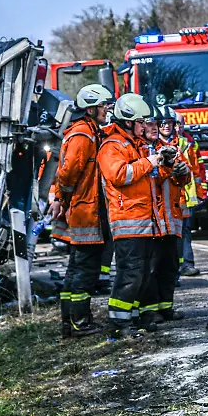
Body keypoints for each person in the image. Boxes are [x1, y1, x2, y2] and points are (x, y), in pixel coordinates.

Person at [97, 93, 167, 338]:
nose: (145, 126)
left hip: (144, 221)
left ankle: (142, 316)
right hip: (127, 222)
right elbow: (120, 175)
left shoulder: (135, 144)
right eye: (141, 122)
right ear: (128, 122)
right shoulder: (112, 146)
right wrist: (149, 162)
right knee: (130, 273)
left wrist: (163, 162)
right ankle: (119, 323)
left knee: (145, 271)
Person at [52, 83, 114, 337]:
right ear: (90, 108)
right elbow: (67, 175)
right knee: (85, 271)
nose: (107, 110)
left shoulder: (91, 131)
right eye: (103, 106)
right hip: (85, 212)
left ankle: (71, 321)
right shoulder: (82, 135)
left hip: (86, 210)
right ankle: (80, 322)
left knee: (77, 269)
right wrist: (63, 199)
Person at [140, 106, 189, 325]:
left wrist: (183, 172)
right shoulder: (140, 151)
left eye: (158, 124)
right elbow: (149, 178)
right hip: (149, 220)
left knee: (169, 266)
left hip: (169, 220)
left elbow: (184, 175)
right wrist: (167, 168)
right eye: (152, 124)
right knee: (150, 267)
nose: (156, 128)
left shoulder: (168, 148)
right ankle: (149, 311)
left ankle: (166, 307)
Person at [172, 112, 206, 277]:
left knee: (185, 231)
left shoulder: (190, 143)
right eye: (175, 124)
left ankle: (186, 264)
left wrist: (201, 193)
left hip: (185, 196)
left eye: (180, 124)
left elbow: (198, 170)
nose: (178, 128)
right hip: (171, 197)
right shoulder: (165, 143)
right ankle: (175, 267)